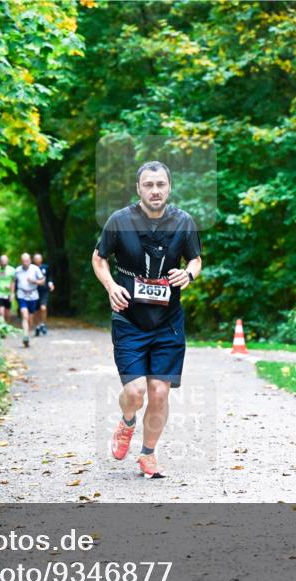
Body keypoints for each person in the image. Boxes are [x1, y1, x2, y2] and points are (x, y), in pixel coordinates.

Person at [91, 160, 202, 479]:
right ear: (138, 189)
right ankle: (127, 421)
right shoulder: (119, 221)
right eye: (149, 185)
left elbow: (195, 258)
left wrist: (189, 274)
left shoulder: (184, 222)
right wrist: (111, 286)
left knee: (159, 392)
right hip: (129, 319)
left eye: (161, 185)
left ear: (169, 187)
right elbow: (99, 258)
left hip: (168, 320)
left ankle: (148, 455)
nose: (155, 190)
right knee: (137, 391)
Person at [14, 252, 45, 347]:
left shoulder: (35, 269)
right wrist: (11, 293)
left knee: (30, 319)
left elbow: (43, 281)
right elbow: (13, 281)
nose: (25, 263)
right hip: (21, 294)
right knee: (24, 314)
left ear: (30, 260)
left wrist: (34, 281)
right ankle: (25, 336)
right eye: (23, 261)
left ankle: (27, 332)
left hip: (33, 295)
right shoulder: (17, 270)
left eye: (27, 261)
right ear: (21, 261)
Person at [32, 252, 55, 336]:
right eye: (36, 259)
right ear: (33, 260)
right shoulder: (31, 268)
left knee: (43, 308)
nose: (37, 260)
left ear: (41, 259)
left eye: (39, 258)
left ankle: (43, 324)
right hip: (33, 292)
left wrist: (51, 283)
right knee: (35, 311)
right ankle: (37, 326)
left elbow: (49, 277)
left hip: (44, 291)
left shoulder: (45, 267)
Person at [0, 254, 16, 324]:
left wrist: (12, 292)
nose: (3, 263)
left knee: (7, 313)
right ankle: (2, 328)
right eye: (2, 261)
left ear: (7, 261)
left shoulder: (12, 270)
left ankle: (7, 324)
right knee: (1, 311)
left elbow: (14, 282)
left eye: (5, 261)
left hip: (8, 293)